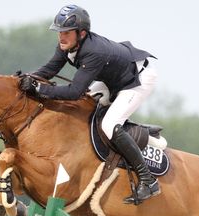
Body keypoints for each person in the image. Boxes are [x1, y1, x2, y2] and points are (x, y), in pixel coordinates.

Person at [19, 4, 160, 204]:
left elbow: (74, 92)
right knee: (86, 105)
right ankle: (134, 130)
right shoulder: (68, 45)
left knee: (109, 125)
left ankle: (148, 179)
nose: (61, 37)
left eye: (66, 32)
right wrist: (23, 80)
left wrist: (39, 89)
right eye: (59, 32)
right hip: (116, 77)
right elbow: (49, 70)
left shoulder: (94, 52)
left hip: (138, 78)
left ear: (82, 33)